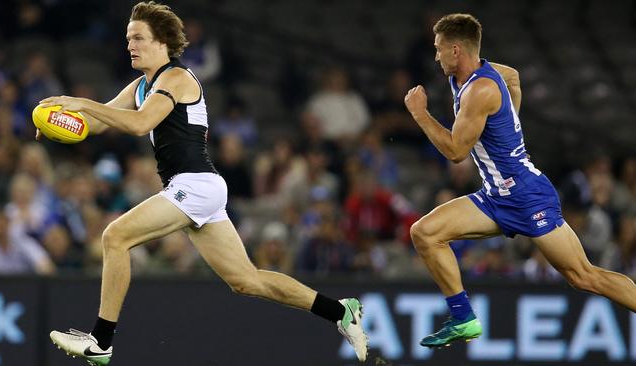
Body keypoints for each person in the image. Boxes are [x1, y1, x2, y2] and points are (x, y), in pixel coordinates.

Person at [41, 2, 367, 365]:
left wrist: (81, 103)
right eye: (127, 38)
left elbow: (139, 124)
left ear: (161, 40)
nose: (129, 45)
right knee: (247, 281)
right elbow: (102, 122)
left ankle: (101, 341)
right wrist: (62, 121)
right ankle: (339, 311)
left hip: (194, 184)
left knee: (115, 237)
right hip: (200, 188)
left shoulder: (177, 78)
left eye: (138, 38)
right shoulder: (141, 85)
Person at [403, 13, 636, 348]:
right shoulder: (476, 74)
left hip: (528, 196)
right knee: (424, 233)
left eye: (439, 49)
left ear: (456, 50)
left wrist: (420, 114)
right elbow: (513, 78)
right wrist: (509, 122)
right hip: (495, 197)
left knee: (583, 277)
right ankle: (463, 318)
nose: (435, 55)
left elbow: (455, 151)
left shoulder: (480, 90)